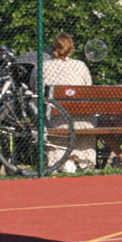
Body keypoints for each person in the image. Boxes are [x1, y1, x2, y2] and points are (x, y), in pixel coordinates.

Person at [31, 33, 95, 171]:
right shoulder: (80, 66)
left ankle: (60, 161)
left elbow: (34, 89)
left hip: (53, 119)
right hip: (82, 119)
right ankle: (77, 159)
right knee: (86, 121)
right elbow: (89, 91)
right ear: (70, 50)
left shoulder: (41, 66)